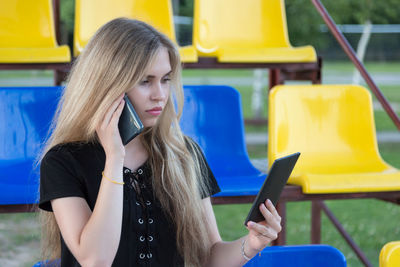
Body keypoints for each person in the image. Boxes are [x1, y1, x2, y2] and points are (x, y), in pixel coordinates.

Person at [39, 18, 281, 267]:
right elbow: (95, 260)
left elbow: (209, 257)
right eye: (145, 81)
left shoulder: (184, 154)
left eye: (165, 79)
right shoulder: (63, 161)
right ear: (108, 85)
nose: (160, 95)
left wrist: (251, 244)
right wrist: (114, 158)